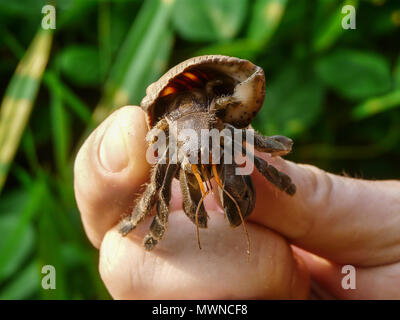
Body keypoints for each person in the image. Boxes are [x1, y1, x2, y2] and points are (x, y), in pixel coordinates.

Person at [74, 106, 400, 299]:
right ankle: (154, 225)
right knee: (161, 190)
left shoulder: (225, 136)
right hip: (184, 137)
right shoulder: (170, 146)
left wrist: (278, 167)